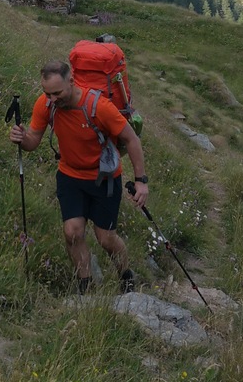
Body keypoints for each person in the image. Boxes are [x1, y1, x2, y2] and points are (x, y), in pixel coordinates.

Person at [9, 60, 148, 294]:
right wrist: (21, 139)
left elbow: (131, 139)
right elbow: (33, 141)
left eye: (57, 93)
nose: (52, 99)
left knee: (106, 238)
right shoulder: (46, 105)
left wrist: (141, 182)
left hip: (104, 180)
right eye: (47, 93)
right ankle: (86, 287)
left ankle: (125, 275)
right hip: (70, 176)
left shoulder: (99, 107)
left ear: (71, 82)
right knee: (72, 233)